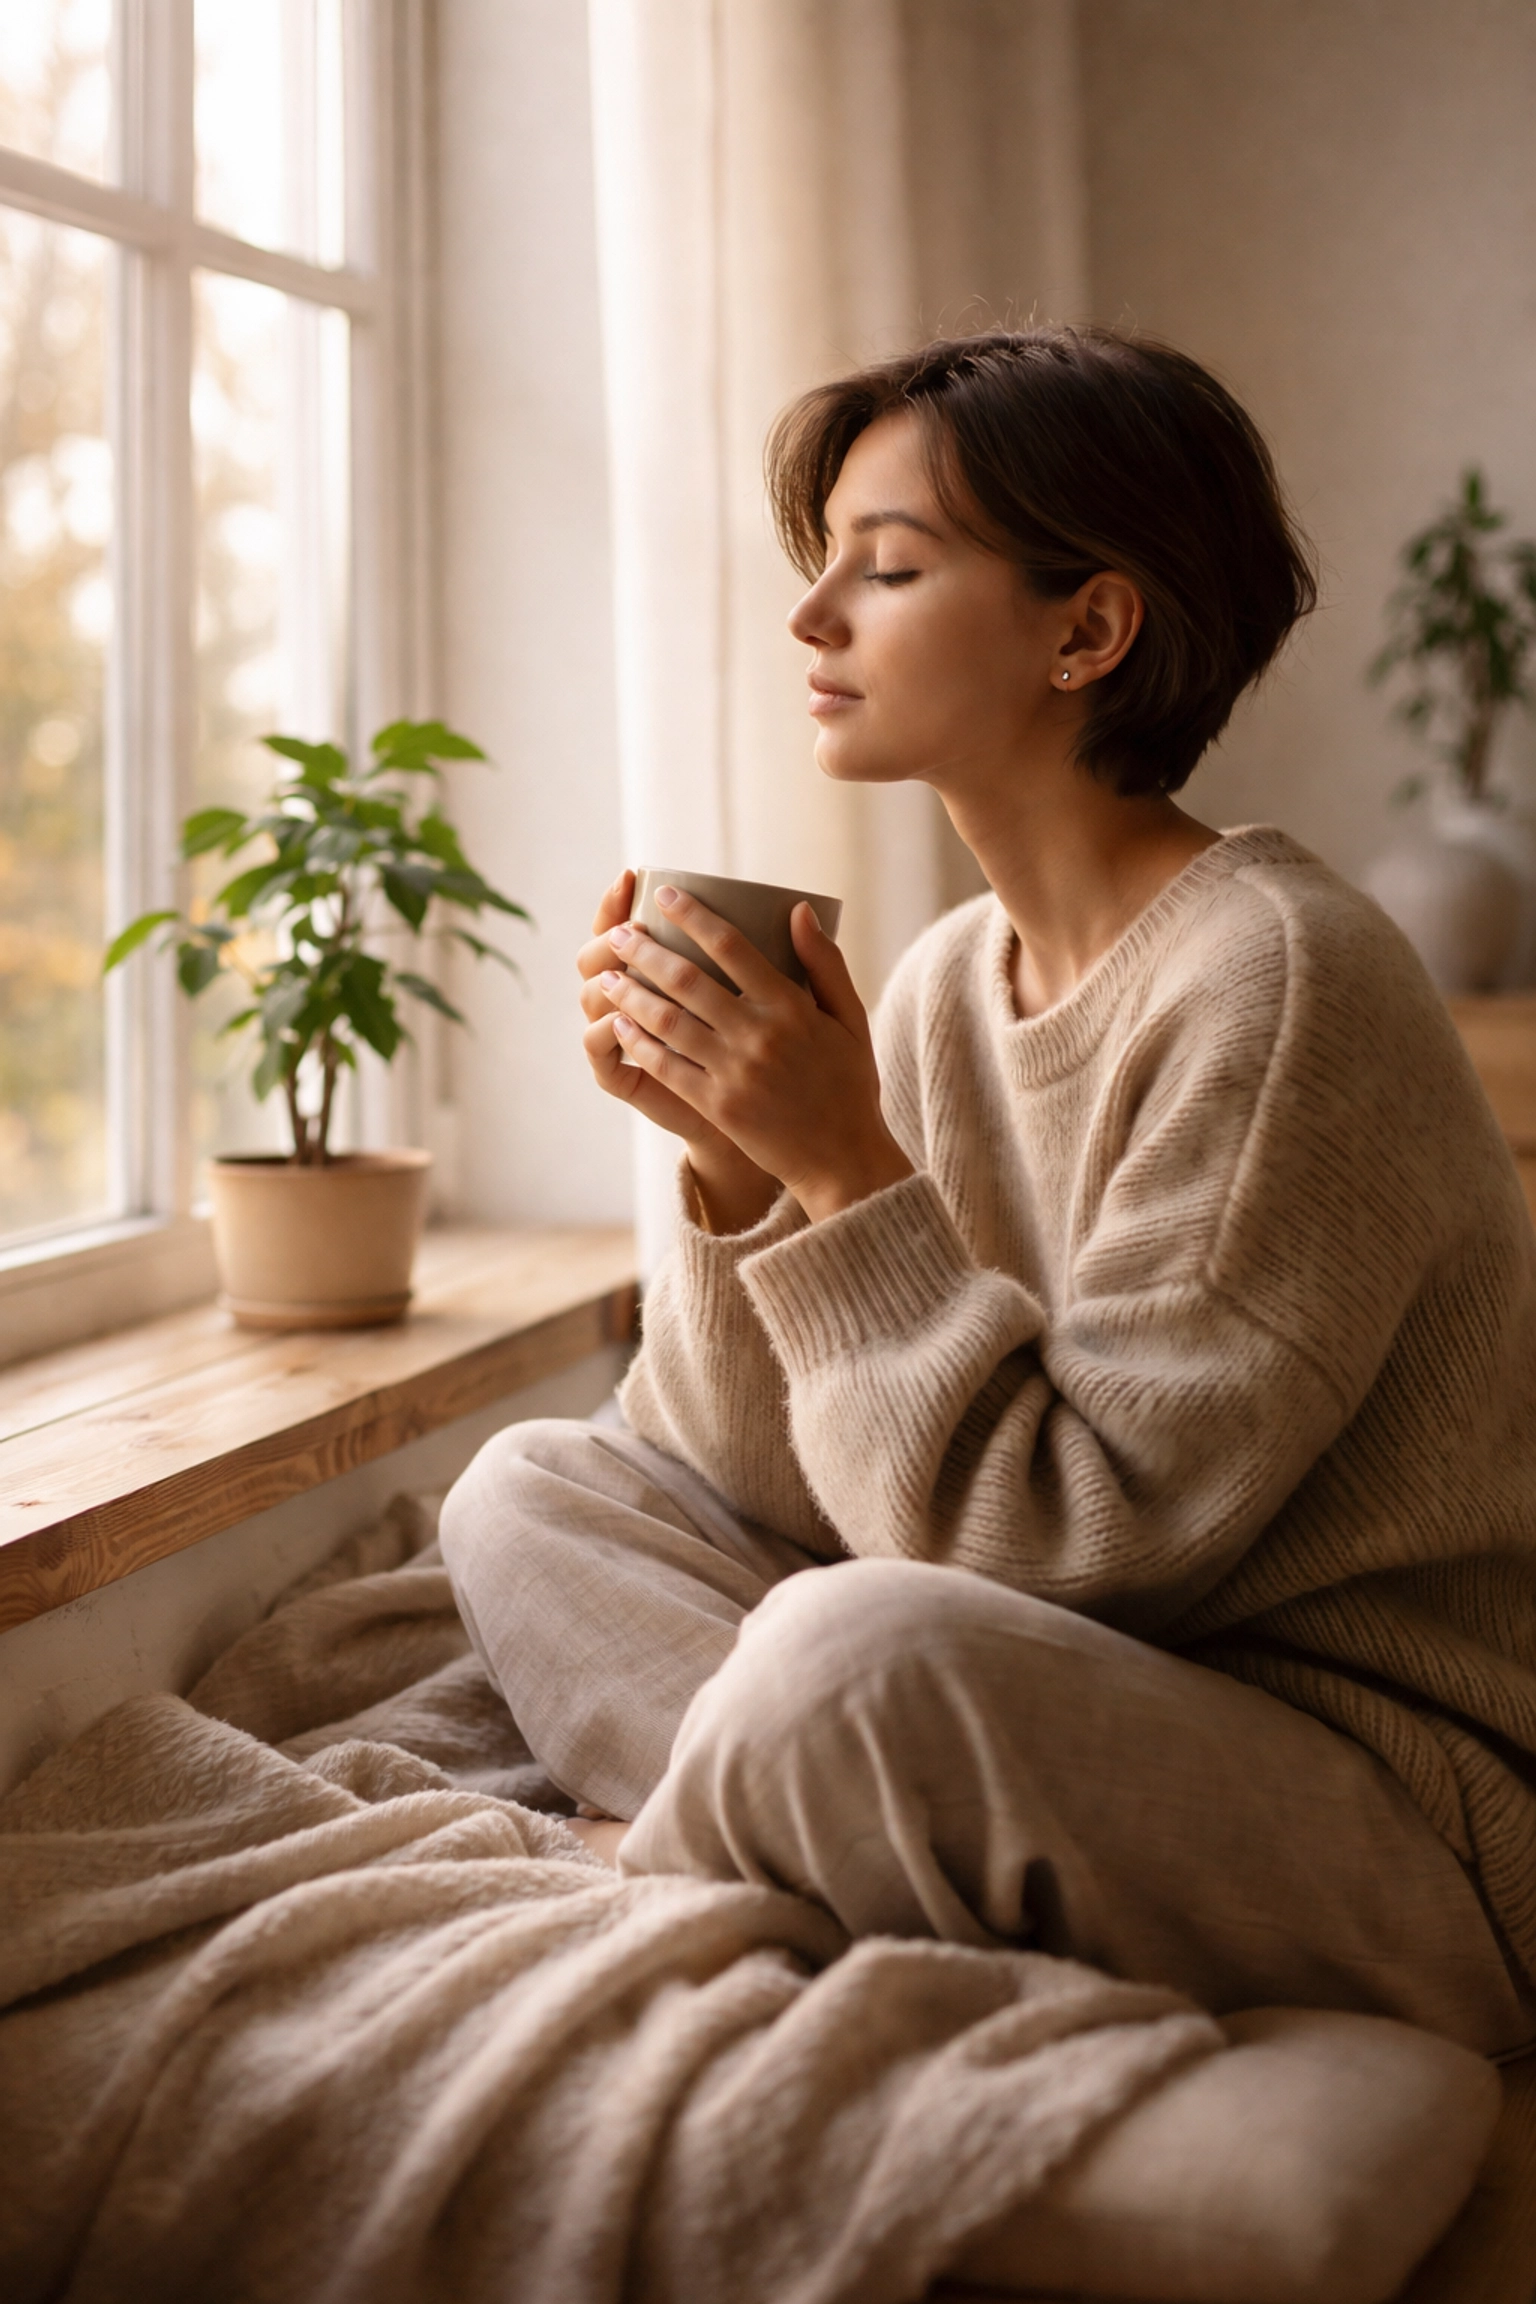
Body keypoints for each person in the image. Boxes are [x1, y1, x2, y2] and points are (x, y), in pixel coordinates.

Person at [440, 327, 1536, 2057]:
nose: (811, 619)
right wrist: (739, 1164)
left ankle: (690, 1867)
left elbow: (1080, 1561)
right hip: (1066, 1703)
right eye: (823, 570)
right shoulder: (957, 979)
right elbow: (753, 1480)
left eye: (883, 569)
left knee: (850, 1655)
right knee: (531, 1490)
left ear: (1088, 631)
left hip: (1378, 1804)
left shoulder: (1279, 981)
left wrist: (840, 1165)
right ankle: (778, 1859)